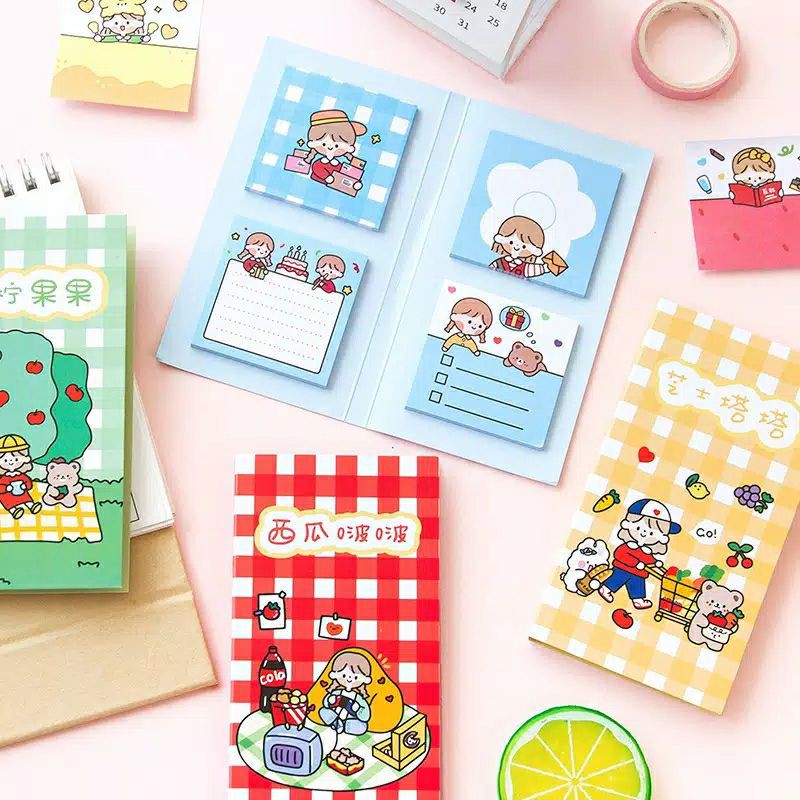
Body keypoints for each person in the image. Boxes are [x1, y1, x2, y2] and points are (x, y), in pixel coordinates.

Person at [597, 498, 681, 610]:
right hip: (623, 568)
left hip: (638, 573)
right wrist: (636, 563)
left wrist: (656, 563)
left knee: (638, 584)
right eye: (638, 528)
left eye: (652, 533)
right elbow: (620, 554)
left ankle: (638, 600)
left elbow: (648, 559)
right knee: (618, 578)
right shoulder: (628, 546)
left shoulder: (646, 551)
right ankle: (606, 588)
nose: (644, 533)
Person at [304, 110, 366, 190]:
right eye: (324, 144)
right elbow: (316, 168)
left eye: (337, 146)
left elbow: (344, 173)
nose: (330, 148)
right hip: (317, 184)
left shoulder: (338, 165)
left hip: (336, 183)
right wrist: (327, 177)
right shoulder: (319, 164)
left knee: (345, 169)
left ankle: (356, 182)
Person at [318, 651, 373, 736]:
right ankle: (335, 722)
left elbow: (366, 716)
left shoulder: (359, 698)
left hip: (350, 719)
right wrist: (330, 700)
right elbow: (326, 703)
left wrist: (358, 709)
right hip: (334, 714)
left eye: (355, 677)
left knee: (363, 727)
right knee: (323, 711)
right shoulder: (337, 692)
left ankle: (345, 727)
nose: (349, 679)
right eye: (344, 676)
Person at [0, 435, 42, 520]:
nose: (11, 462)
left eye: (16, 459)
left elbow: (28, 482)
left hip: (21, 493)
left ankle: (31, 505)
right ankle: (13, 511)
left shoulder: (21, 475)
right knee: (6, 500)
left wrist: (25, 486)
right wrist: (6, 488)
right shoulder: (4, 478)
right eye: (5, 460)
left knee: (26, 497)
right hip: (8, 494)